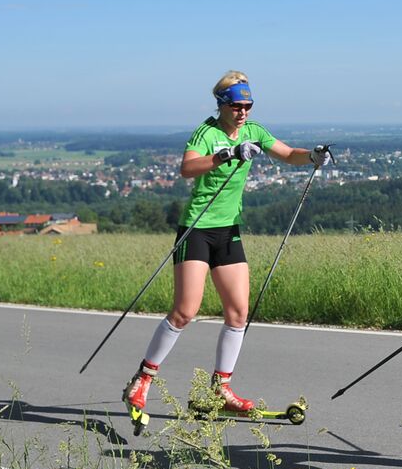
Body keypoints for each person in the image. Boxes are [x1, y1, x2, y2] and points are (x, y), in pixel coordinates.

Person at [122, 71, 330, 433]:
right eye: (237, 106)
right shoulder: (207, 133)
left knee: (238, 312)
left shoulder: (255, 131)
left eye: (249, 106)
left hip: (228, 230)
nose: (244, 112)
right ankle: (142, 381)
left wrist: (312, 155)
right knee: (186, 310)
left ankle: (221, 389)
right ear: (222, 105)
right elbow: (187, 168)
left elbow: (286, 154)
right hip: (197, 229)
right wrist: (227, 154)